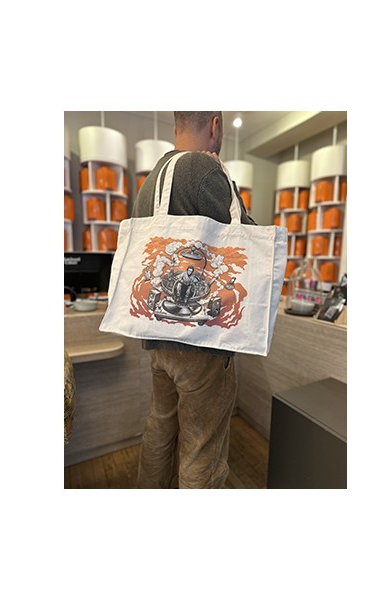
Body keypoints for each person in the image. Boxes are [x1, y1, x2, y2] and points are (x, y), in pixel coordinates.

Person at [133, 112, 256, 489]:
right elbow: (249, 240)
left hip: (158, 336)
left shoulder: (152, 179)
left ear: (176, 127)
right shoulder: (204, 169)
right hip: (200, 343)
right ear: (215, 125)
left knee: (160, 426)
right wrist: (229, 185)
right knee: (202, 447)